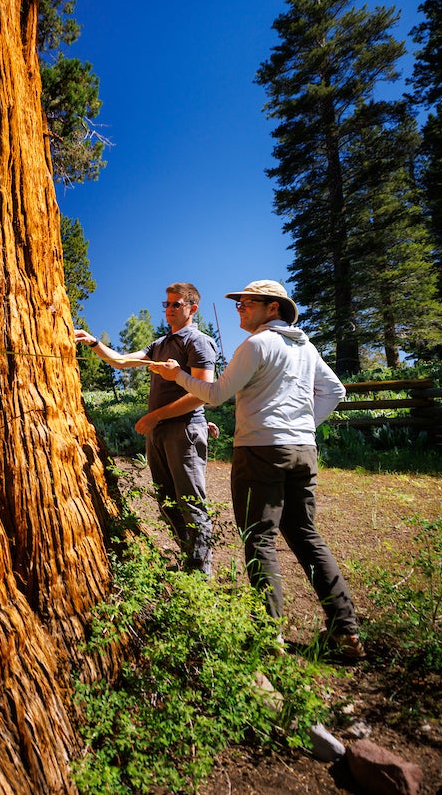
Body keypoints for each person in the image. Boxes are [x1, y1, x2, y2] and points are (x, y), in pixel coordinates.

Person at [149, 279, 363, 660]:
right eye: (239, 304)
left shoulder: (257, 344)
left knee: (259, 537)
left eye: (248, 303)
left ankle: (269, 636)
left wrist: (176, 375)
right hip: (303, 451)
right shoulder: (305, 346)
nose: (241, 309)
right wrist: (302, 426)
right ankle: (345, 631)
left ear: (273, 308)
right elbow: (334, 392)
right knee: (304, 533)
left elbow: (213, 394)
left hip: (260, 450)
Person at [76, 282, 219, 575]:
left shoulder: (197, 342)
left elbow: (203, 392)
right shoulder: (159, 344)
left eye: (175, 304)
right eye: (166, 305)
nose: (168, 310)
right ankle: (190, 563)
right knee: (167, 502)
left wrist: (156, 416)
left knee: (190, 503)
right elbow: (120, 362)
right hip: (160, 433)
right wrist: (93, 342)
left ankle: (201, 575)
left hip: (184, 430)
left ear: (192, 308)